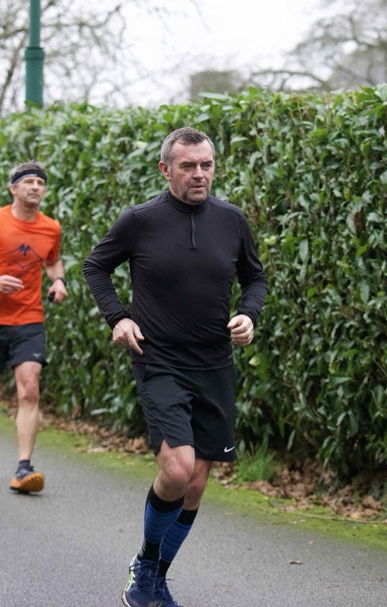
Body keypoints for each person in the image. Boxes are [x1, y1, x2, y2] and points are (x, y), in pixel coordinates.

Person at [82, 127, 267, 607]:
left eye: (206, 165)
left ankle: (157, 578)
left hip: (214, 363)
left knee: (197, 481)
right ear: (166, 169)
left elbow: (255, 277)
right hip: (159, 359)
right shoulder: (139, 220)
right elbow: (95, 267)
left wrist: (248, 313)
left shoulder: (231, 219)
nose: (199, 174)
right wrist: (119, 318)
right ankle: (145, 562)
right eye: (188, 166)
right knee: (178, 468)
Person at [0, 161, 68, 494]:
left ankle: (24, 467)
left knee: (30, 389)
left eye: (41, 183)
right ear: (13, 188)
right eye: (29, 181)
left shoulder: (51, 227)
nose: (35, 187)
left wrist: (59, 281)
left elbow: (52, 259)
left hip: (30, 320)